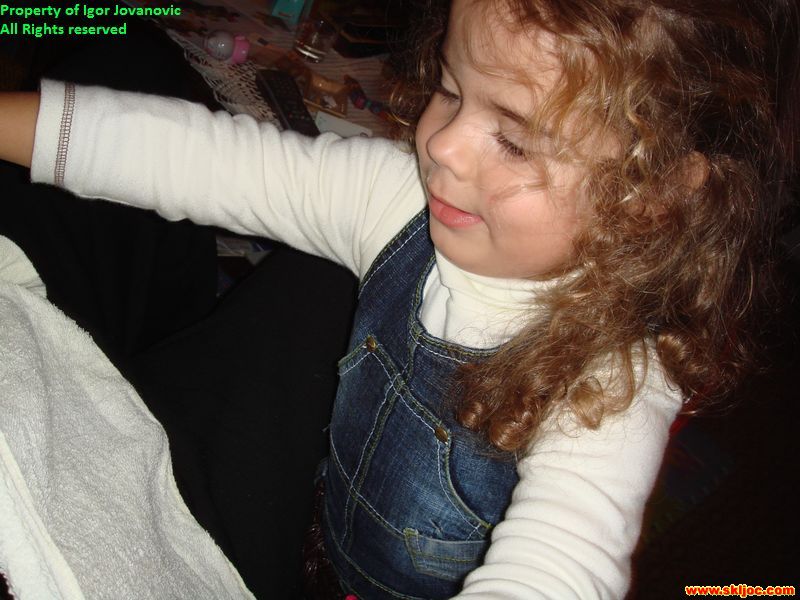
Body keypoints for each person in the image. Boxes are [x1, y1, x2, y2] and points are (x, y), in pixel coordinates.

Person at [1, 0, 797, 597]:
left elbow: (560, 567)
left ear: (651, 196)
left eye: (513, 139)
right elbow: (196, 159)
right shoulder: (396, 202)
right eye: (450, 90)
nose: (441, 143)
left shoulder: (613, 382)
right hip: (319, 526)